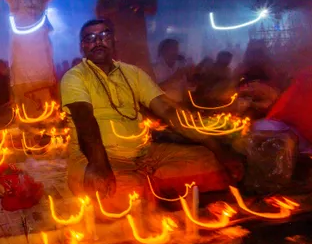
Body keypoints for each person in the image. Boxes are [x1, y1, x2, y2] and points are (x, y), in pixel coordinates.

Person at [60, 20, 242, 209]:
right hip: (93, 157)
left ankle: (152, 190)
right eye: (90, 38)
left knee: (209, 162)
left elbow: (167, 110)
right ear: (82, 47)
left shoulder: (133, 73)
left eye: (104, 36)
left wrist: (216, 147)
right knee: (121, 193)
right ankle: (147, 194)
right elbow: (84, 120)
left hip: (143, 154)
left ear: (114, 41)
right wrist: (98, 164)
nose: (98, 41)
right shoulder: (75, 77)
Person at [96, 0, 157, 76]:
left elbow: (153, 9)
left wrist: (138, 6)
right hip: (117, 45)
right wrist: (118, 8)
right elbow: (99, 12)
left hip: (138, 45)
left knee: (141, 80)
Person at [152, 39, 190, 104]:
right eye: (172, 49)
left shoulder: (180, 67)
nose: (175, 52)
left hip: (179, 106)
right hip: (162, 108)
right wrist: (173, 79)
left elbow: (185, 90)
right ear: (163, 51)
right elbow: (152, 92)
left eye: (176, 49)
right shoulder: (154, 68)